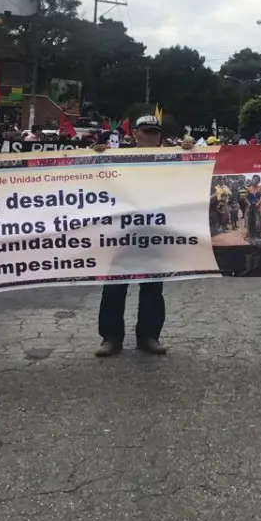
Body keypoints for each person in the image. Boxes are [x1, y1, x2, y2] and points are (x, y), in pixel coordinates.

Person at [95, 114, 169, 357]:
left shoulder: (171, 158)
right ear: (135, 134)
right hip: (122, 231)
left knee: (152, 286)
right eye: (146, 131)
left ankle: (149, 337)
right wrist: (97, 154)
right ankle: (111, 338)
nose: (151, 136)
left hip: (154, 230)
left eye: (155, 132)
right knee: (115, 286)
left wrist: (188, 152)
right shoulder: (116, 157)